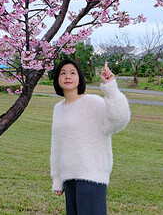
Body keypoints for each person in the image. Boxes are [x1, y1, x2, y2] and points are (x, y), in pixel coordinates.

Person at [50, 59, 130, 215]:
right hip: (69, 178)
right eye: (63, 73)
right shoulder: (58, 109)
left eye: (72, 73)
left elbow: (119, 120)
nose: (68, 76)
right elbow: (57, 145)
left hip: (91, 177)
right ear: (57, 79)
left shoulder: (92, 102)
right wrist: (57, 179)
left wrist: (110, 87)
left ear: (79, 78)